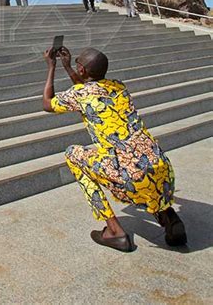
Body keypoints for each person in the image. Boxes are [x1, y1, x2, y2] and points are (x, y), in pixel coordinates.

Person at [42, 44, 187, 252]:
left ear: (82, 71)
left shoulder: (81, 94)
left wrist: (51, 67)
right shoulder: (119, 87)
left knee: (72, 154)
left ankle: (114, 231)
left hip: (130, 175)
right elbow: (87, 89)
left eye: (77, 64)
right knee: (144, 171)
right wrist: (68, 67)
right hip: (161, 167)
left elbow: (48, 103)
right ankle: (170, 219)